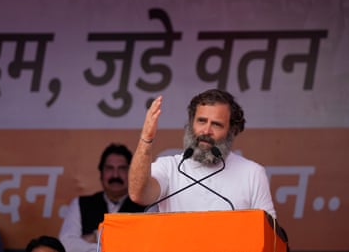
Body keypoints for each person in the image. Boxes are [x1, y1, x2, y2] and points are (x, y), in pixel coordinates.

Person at [128, 89, 276, 217]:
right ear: (191, 123)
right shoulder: (169, 168)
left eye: (216, 124)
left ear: (231, 130)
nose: (206, 131)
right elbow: (138, 194)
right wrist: (146, 139)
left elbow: (270, 234)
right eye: (201, 121)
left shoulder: (252, 173)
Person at [59, 143, 146, 252]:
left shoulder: (145, 207)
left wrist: (95, 237)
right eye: (109, 168)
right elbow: (66, 245)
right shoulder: (80, 204)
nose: (115, 175)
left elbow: (144, 245)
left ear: (131, 173)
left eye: (122, 169)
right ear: (101, 173)